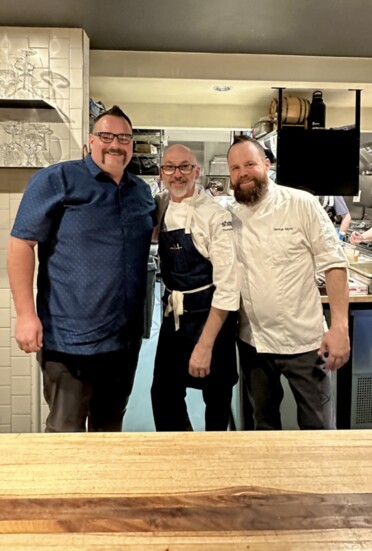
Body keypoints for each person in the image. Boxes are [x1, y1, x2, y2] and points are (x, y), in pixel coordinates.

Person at [7, 105, 156, 432]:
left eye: (124, 138)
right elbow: (21, 243)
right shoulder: (57, 179)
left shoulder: (142, 194)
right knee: (66, 434)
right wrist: (26, 315)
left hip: (123, 343)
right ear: (91, 141)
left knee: (109, 428)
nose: (115, 144)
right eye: (106, 136)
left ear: (132, 144)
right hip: (69, 342)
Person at [226, 135, 350, 430]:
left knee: (318, 426)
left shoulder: (301, 204)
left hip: (308, 344)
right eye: (234, 168)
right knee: (264, 425)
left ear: (266, 165)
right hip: (253, 343)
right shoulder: (230, 214)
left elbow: (334, 262)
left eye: (250, 164)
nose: (242, 173)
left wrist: (340, 327)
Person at [151, 144, 240, 431]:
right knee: (163, 396)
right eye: (169, 167)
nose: (177, 174)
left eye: (185, 167)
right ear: (161, 172)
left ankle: (215, 466)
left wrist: (205, 345)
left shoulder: (216, 215)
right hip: (174, 316)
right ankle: (182, 457)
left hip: (211, 317)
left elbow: (228, 287)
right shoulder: (161, 205)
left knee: (216, 400)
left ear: (196, 172)